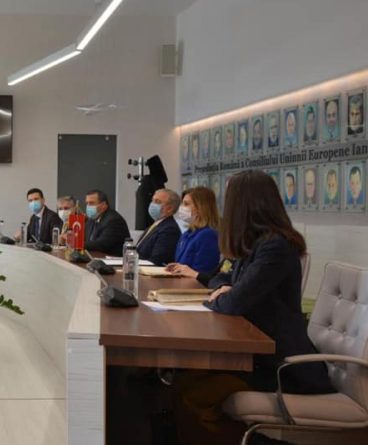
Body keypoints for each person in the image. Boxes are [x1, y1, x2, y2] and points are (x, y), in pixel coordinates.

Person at [176, 170, 335, 444]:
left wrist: (223, 295)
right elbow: (219, 279)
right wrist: (225, 290)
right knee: (184, 378)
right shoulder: (252, 243)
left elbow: (233, 301)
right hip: (255, 354)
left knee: (192, 390)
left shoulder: (275, 247)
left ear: (242, 205)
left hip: (281, 366)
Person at [166, 187, 220, 276]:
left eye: (186, 204)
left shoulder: (208, 235)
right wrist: (176, 267)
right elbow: (184, 265)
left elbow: (203, 272)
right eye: (182, 203)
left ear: (200, 208)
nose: (181, 207)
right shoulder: (187, 234)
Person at [135, 189, 181, 266]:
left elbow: (157, 260)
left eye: (157, 202)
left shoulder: (169, 229)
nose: (152, 204)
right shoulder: (156, 224)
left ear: (169, 209)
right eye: (152, 200)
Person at [83, 189, 130, 256]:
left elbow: (102, 244)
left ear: (103, 205)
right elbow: (87, 241)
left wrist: (77, 244)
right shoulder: (92, 219)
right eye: (87, 203)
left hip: (113, 260)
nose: (88, 206)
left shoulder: (114, 220)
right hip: (95, 258)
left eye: (91, 203)